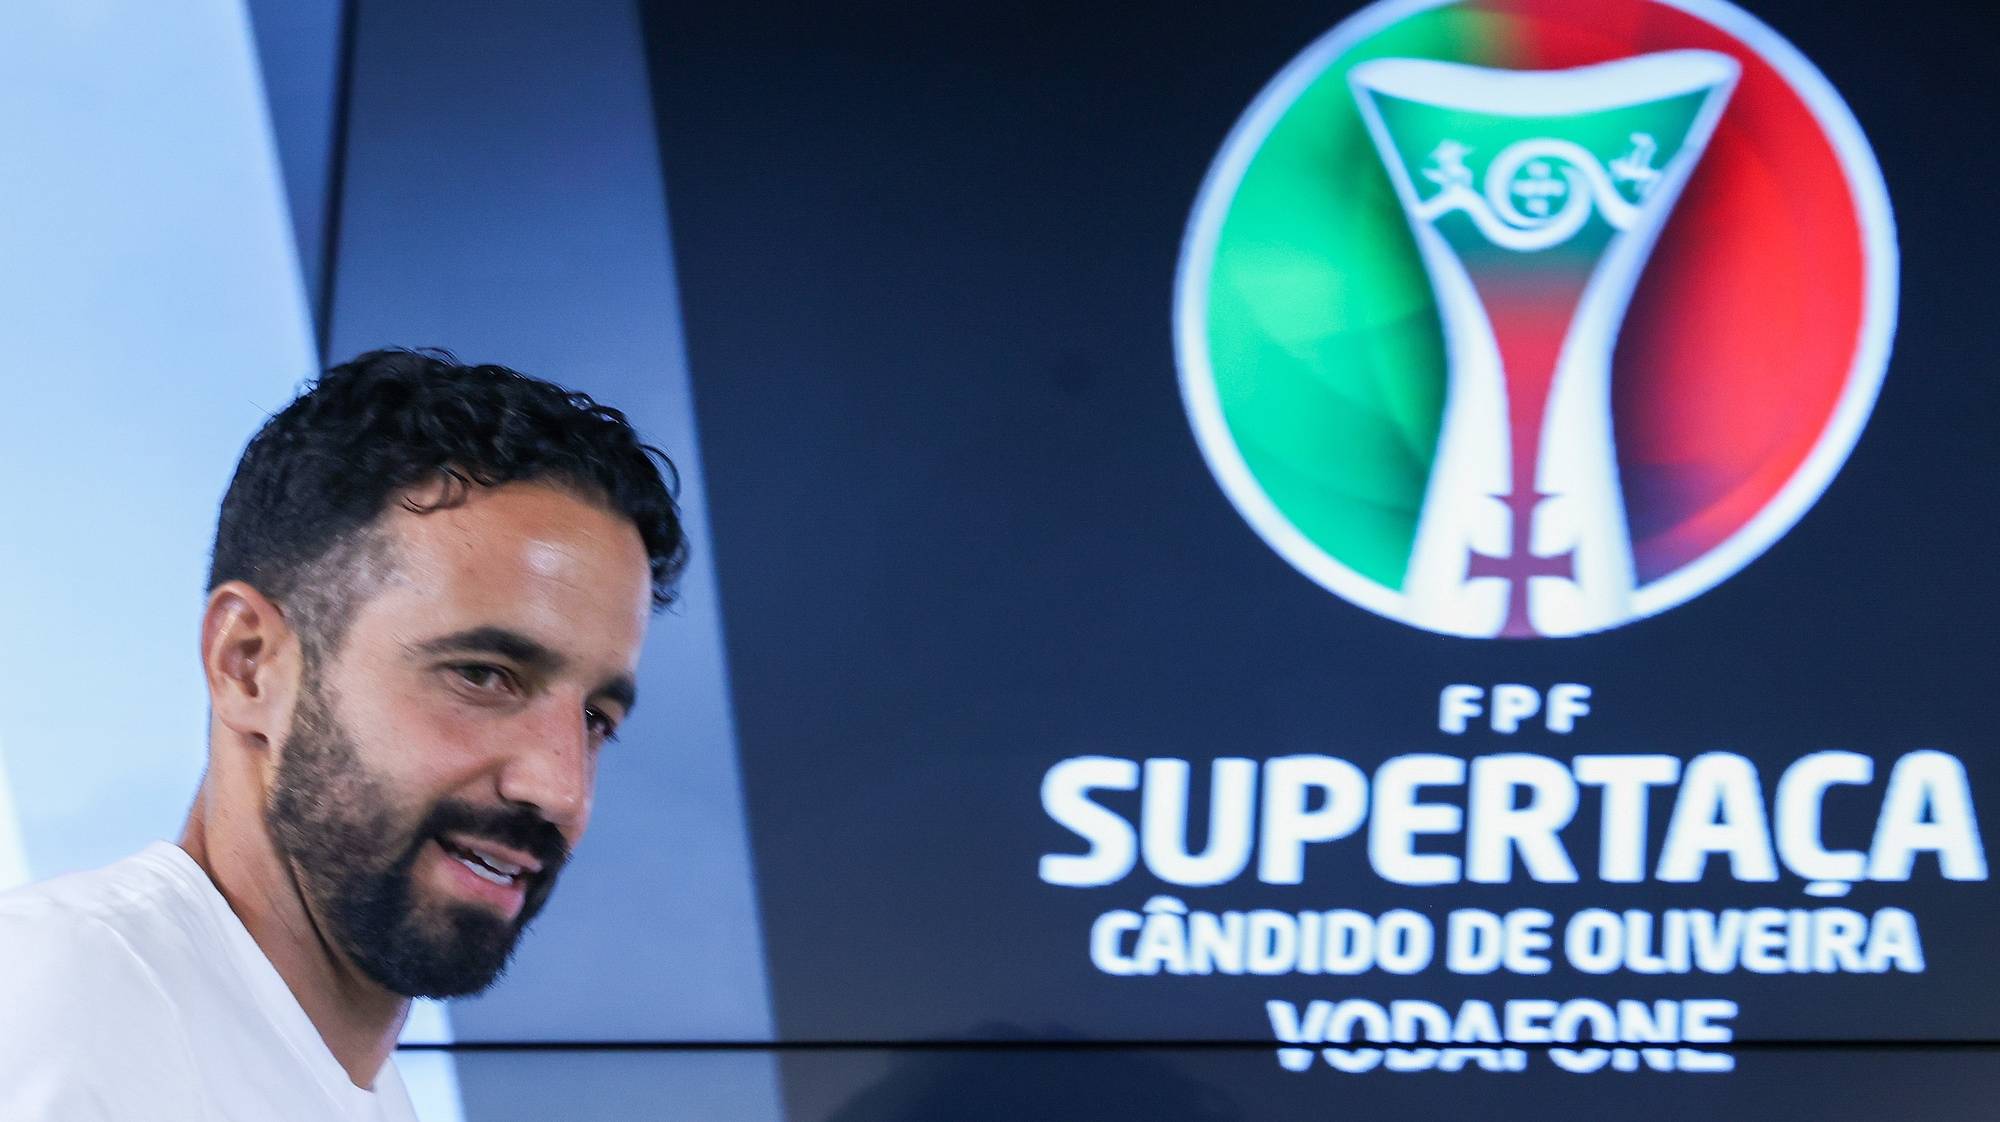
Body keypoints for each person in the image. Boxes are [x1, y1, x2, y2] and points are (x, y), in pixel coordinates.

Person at [0, 350, 688, 1120]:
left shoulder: (359, 1093)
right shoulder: (52, 1005)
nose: (560, 788)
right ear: (248, 666)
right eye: (484, 674)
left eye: (597, 719)